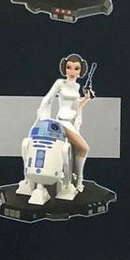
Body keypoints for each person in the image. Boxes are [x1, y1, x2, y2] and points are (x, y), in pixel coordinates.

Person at [35, 53, 95, 196]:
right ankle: (79, 179)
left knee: (74, 151)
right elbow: (47, 99)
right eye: (69, 67)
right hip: (62, 122)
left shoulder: (77, 86)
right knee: (84, 148)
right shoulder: (60, 83)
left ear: (81, 71)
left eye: (76, 68)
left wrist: (86, 98)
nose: (72, 71)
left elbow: (75, 107)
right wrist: (43, 117)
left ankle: (73, 179)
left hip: (72, 123)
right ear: (64, 68)